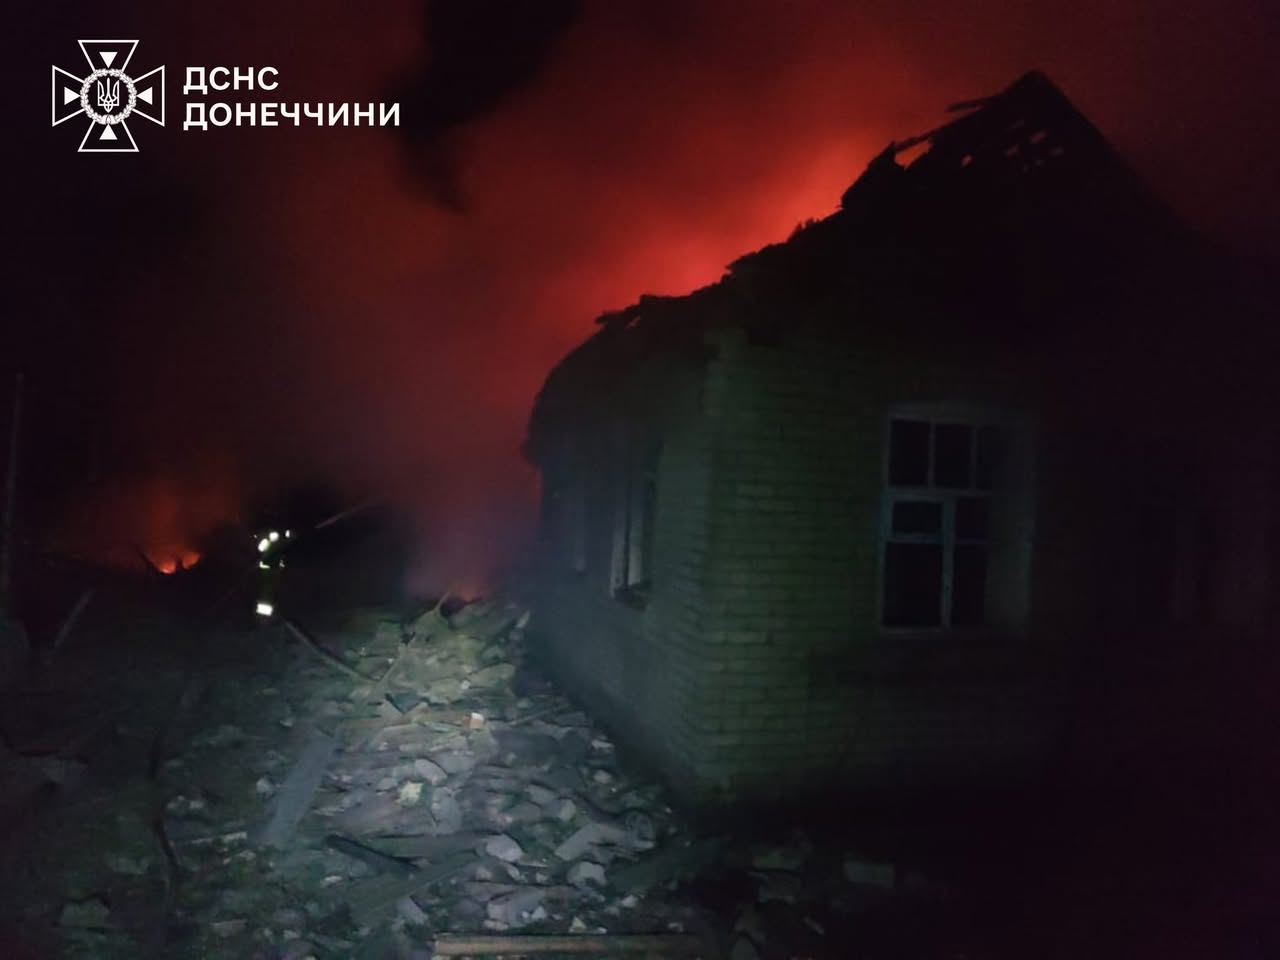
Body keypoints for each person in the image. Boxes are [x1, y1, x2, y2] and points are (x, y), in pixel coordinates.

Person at [253, 526, 291, 618]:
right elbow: (261, 549)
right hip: (268, 569)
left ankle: (273, 615)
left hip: (276, 569)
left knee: (274, 591)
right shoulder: (267, 538)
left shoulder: (282, 537)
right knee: (267, 593)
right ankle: (263, 618)